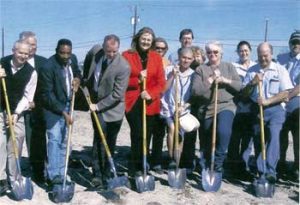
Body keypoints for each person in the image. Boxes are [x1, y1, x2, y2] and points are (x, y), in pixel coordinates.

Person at [82, 34, 130, 188]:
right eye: (108, 51)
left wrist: (98, 106)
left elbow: (117, 94)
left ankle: (107, 173)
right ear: (103, 47)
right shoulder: (95, 51)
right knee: (98, 140)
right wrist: (85, 81)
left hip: (113, 109)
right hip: (95, 103)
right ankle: (97, 174)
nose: (111, 54)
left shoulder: (123, 66)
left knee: (109, 141)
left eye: (114, 51)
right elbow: (88, 62)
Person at [242, 42, 293, 183]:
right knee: (259, 139)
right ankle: (261, 171)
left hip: (275, 109)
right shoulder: (252, 70)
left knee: (274, 135)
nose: (263, 59)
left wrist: (267, 101)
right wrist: (253, 82)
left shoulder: (280, 70)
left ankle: (270, 171)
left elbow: (286, 93)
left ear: (271, 54)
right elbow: (244, 94)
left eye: (265, 55)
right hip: (256, 110)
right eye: (260, 56)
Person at [191, 41, 242, 173]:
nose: (212, 54)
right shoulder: (201, 69)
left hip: (226, 105)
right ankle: (208, 164)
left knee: (223, 131)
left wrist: (225, 80)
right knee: (207, 139)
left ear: (221, 53)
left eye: (215, 52)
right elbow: (196, 91)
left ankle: (218, 162)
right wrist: (211, 79)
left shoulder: (229, 67)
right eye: (209, 52)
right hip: (207, 108)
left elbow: (239, 86)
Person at [122, 27, 166, 176]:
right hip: (133, 101)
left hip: (150, 103)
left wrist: (151, 93)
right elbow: (121, 80)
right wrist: (137, 80)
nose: (146, 42)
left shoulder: (156, 57)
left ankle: (143, 164)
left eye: (149, 39)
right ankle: (135, 168)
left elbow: (161, 82)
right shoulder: (127, 56)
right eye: (143, 39)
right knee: (138, 134)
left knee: (146, 136)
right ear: (137, 39)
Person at [39, 39, 81, 188]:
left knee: (65, 141)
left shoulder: (73, 59)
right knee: (54, 139)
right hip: (53, 108)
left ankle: (62, 173)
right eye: (62, 53)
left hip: (69, 104)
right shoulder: (48, 67)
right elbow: (47, 95)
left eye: (68, 53)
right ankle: (52, 176)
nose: (65, 56)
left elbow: (77, 72)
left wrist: (77, 79)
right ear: (56, 51)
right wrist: (63, 113)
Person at [0, 40, 37, 193]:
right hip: (0, 109)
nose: (23, 56)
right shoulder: (1, 63)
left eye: (26, 54)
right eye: (20, 52)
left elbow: (28, 97)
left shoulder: (31, 72)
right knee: (0, 143)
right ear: (13, 50)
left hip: (16, 111)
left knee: (16, 142)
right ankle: (1, 179)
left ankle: (13, 178)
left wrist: (16, 114)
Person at [19, 31, 47, 183]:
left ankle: (38, 172)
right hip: (14, 110)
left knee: (36, 141)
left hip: (35, 110)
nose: (32, 47)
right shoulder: (9, 62)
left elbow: (47, 88)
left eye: (34, 44)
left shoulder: (43, 62)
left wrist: (37, 103)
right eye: (29, 44)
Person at [227, 40, 256, 179]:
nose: (244, 53)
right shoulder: (233, 67)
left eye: (246, 50)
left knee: (247, 139)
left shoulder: (256, 66)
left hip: (251, 107)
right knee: (235, 137)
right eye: (241, 50)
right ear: (237, 52)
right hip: (237, 106)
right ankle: (232, 164)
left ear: (250, 51)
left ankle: (243, 166)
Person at [160, 47, 194, 169]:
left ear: (192, 60)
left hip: (183, 109)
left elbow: (193, 96)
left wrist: (184, 106)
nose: (186, 60)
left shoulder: (193, 74)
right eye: (184, 57)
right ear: (179, 57)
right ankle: (170, 159)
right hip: (168, 107)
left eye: (189, 58)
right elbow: (163, 89)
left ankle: (177, 159)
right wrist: (172, 76)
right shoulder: (169, 70)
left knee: (180, 134)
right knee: (172, 128)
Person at [277, 30, 300, 180]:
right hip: (281, 98)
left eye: (298, 42)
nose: (296, 45)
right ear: (289, 43)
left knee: (298, 136)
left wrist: (288, 97)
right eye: (293, 42)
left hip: (296, 98)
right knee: (280, 134)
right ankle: (281, 163)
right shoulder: (281, 58)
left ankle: (297, 166)